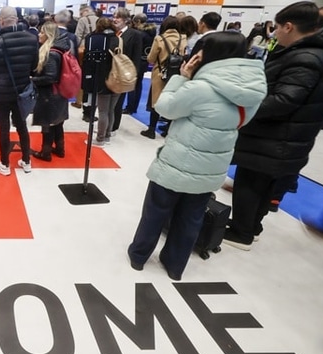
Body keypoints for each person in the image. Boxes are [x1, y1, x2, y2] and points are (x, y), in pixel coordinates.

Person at [128, 32, 267, 280]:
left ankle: (139, 256)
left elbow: (165, 108)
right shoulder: (252, 91)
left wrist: (181, 78)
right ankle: (175, 266)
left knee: (155, 213)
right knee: (191, 219)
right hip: (211, 168)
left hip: (176, 165)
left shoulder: (200, 87)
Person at [225, 2, 323, 250]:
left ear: (289, 26)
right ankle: (251, 228)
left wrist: (245, 108)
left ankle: (241, 232)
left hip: (274, 135)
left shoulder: (305, 57)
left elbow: (284, 101)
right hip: (291, 135)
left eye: (277, 27)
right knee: (265, 184)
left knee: (251, 181)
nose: (275, 33)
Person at [0, 6, 38, 175]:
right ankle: (26, 161)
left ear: (1, 21)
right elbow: (34, 66)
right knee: (22, 126)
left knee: (4, 128)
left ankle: (5, 164)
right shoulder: (31, 39)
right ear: (17, 19)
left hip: (1, 93)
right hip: (22, 91)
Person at [141, 16, 187, 139]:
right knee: (173, 100)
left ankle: (151, 129)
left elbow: (151, 59)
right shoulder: (183, 38)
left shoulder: (159, 39)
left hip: (160, 74)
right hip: (177, 74)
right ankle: (168, 130)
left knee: (156, 102)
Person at [30, 22, 69, 161]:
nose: (39, 34)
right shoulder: (62, 49)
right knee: (58, 123)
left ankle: (45, 153)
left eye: (42, 32)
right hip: (60, 93)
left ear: (49, 35)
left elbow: (50, 77)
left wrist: (33, 80)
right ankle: (60, 149)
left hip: (49, 95)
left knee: (48, 124)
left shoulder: (51, 53)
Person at [81, 17, 121, 145]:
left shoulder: (98, 40)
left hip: (103, 78)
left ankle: (100, 138)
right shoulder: (119, 39)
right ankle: (107, 134)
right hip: (117, 78)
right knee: (111, 110)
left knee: (103, 111)